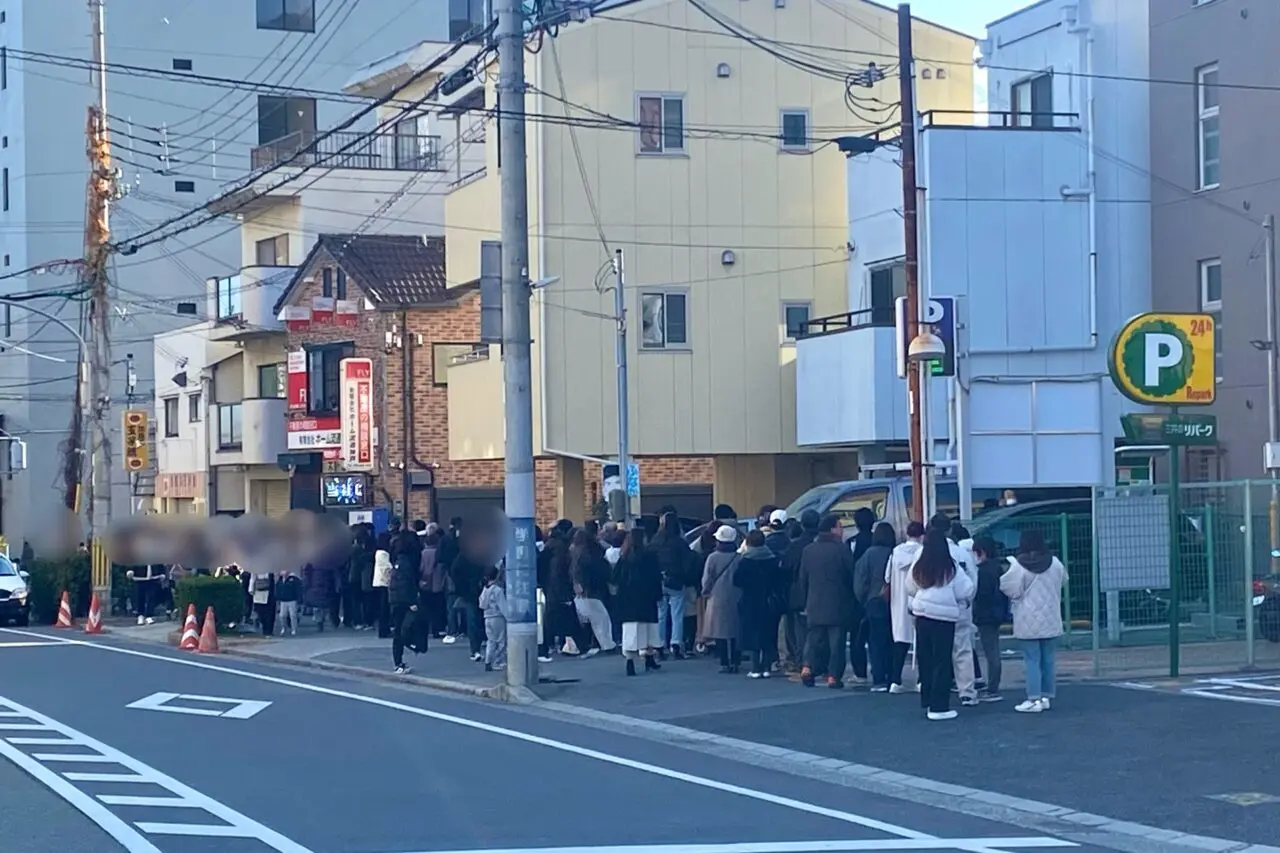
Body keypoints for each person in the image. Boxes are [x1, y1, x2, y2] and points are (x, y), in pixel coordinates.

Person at [905, 528, 975, 720]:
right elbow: (966, 590)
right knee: (942, 661)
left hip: (922, 615)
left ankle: (927, 699)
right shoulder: (951, 567)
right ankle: (939, 706)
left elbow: (909, 586)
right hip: (944, 618)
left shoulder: (920, 564)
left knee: (925, 659)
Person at [1000, 529, 1067, 713]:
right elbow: (1064, 580)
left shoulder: (1019, 566)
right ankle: (1046, 696)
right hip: (1051, 617)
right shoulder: (1055, 563)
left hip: (1027, 618)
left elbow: (1010, 589)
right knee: (1048, 660)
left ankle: (1033, 698)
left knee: (1032, 660)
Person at [797, 513, 855, 688]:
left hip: (814, 601)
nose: (842, 530)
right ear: (832, 529)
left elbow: (802, 579)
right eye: (840, 526)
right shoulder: (842, 549)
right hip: (838, 602)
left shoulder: (809, 550)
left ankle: (807, 667)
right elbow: (851, 575)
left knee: (813, 638)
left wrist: (804, 601)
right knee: (836, 643)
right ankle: (833, 676)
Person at [612, 526, 664, 676]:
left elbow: (615, 578)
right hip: (647, 598)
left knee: (631, 632)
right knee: (649, 629)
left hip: (628, 599)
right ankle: (649, 659)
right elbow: (656, 578)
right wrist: (658, 595)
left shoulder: (624, 557)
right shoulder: (650, 556)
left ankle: (630, 662)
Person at [734, 528, 785, 678]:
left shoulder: (746, 561)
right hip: (770, 601)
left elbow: (737, 580)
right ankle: (767, 667)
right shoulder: (773, 559)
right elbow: (780, 581)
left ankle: (756, 667)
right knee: (769, 634)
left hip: (751, 601)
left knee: (753, 634)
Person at [854, 521, 896, 692]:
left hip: (874, 602)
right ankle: (893, 676)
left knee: (876, 642)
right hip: (895, 603)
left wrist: (864, 600)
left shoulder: (868, 555)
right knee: (893, 640)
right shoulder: (895, 553)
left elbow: (860, 582)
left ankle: (878, 678)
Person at [886, 521, 924, 691]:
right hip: (918, 599)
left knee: (900, 641)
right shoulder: (922, 552)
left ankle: (895, 680)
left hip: (898, 602)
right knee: (921, 642)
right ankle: (921, 680)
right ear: (921, 536)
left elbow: (887, 577)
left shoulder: (895, 552)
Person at [780, 509, 820, 673]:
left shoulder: (795, 546)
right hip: (820, 592)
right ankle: (818, 662)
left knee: (799, 630)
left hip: (798, 594)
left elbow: (786, 571)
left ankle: (802, 661)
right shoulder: (821, 544)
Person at [701, 524, 743, 673]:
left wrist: (705, 591)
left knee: (720, 630)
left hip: (717, 595)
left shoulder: (712, 557)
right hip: (737, 595)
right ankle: (736, 661)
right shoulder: (739, 557)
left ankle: (724, 662)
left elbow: (707, 578)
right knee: (736, 629)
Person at [971, 535, 1008, 702]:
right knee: (993, 650)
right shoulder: (997, 568)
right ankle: (993, 685)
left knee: (991, 651)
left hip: (986, 615)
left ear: (981, 552)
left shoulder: (983, 571)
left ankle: (993, 688)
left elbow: (982, 595)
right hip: (997, 613)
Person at [652, 510, 693, 658]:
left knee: (660, 614)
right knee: (677, 614)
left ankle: (659, 645)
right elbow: (688, 561)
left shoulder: (655, 541)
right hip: (676, 581)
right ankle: (676, 644)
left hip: (658, 580)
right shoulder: (679, 542)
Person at [570, 528, 616, 656]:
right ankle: (607, 645)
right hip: (593, 590)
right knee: (601, 619)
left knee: (585, 619)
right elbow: (602, 570)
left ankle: (574, 646)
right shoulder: (593, 553)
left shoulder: (575, 554)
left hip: (581, 591)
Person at [388, 527, 424, 675]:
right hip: (405, 599)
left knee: (399, 629)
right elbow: (406, 583)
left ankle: (399, 662)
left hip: (395, 599)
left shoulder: (398, 559)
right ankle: (409, 648)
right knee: (405, 628)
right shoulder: (407, 562)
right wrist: (412, 601)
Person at [479, 566, 508, 671]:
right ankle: (498, 661)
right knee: (501, 641)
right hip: (497, 617)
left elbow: (481, 605)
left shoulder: (485, 589)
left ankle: (488, 661)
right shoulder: (497, 590)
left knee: (491, 641)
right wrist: (509, 617)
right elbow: (503, 606)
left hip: (487, 617)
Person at [276, 570, 302, 636]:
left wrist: (299, 600)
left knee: (293, 615)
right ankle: (284, 628)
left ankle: (294, 629)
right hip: (283, 601)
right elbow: (277, 589)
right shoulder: (280, 580)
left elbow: (298, 590)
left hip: (292, 600)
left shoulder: (294, 579)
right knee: (282, 615)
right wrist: (277, 599)